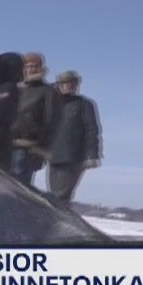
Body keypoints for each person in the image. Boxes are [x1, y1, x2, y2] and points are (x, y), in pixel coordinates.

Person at [44, 70, 102, 203]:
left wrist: (92, 154)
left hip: (73, 157)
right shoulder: (53, 104)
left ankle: (59, 215)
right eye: (65, 83)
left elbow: (91, 130)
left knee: (60, 196)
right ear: (59, 85)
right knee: (54, 195)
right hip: (53, 157)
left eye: (72, 83)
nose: (69, 86)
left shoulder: (84, 105)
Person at [10, 52, 62, 188]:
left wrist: (41, 151)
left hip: (28, 149)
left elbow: (52, 123)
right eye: (28, 66)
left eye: (34, 66)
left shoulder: (48, 92)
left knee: (18, 187)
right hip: (7, 144)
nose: (31, 69)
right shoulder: (15, 89)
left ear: (40, 68)